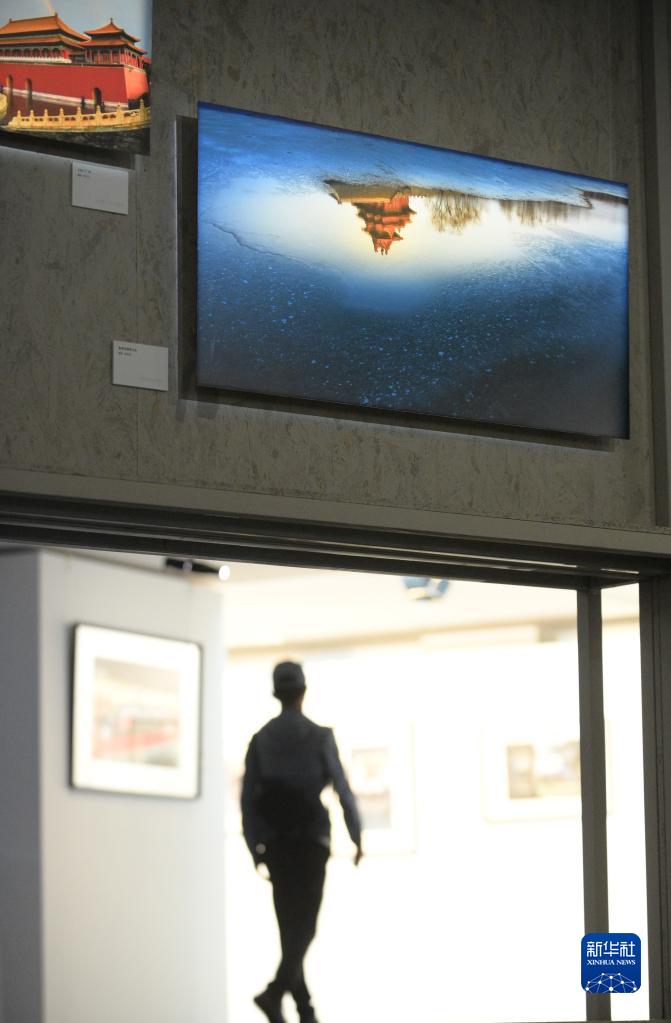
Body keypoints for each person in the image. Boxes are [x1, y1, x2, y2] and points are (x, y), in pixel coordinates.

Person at [241, 660, 363, 1023]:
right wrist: (356, 835)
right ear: (303, 692)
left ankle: (303, 1010)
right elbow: (342, 790)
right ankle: (279, 995)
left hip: (277, 843)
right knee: (303, 927)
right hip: (310, 841)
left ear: (276, 693)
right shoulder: (319, 736)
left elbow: (248, 802)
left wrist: (254, 846)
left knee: (290, 929)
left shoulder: (262, 739)